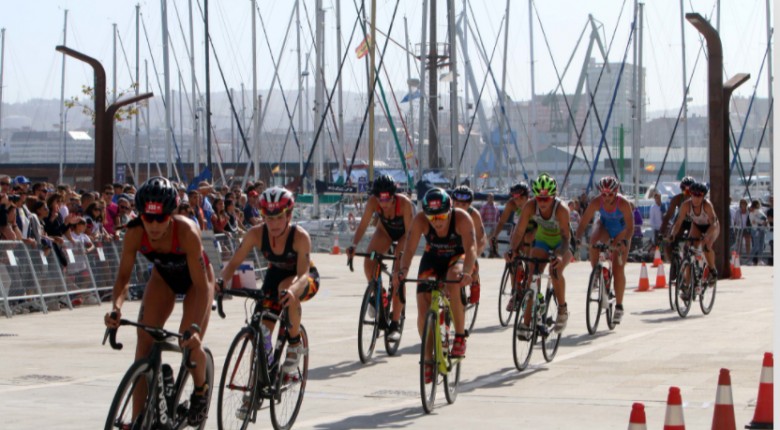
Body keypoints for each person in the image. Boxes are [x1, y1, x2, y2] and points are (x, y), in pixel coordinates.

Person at [103, 177, 215, 426]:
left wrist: (194, 329)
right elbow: (123, 278)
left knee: (188, 342)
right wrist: (116, 309)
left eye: (160, 219)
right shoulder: (134, 233)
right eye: (147, 218)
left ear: (171, 214)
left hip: (196, 282)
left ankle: (200, 389)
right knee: (143, 344)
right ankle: (137, 420)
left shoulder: (186, 231)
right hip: (163, 277)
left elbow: (201, 286)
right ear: (140, 215)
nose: (153, 226)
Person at [220, 187, 319, 376]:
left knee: (286, 289)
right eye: (269, 218)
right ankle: (256, 382)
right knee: (262, 331)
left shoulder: (300, 237)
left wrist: (292, 291)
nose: (273, 224)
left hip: (303, 277)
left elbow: (303, 274)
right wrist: (221, 282)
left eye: (279, 217)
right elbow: (232, 264)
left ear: (289, 215)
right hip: (275, 274)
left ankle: (295, 343)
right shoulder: (255, 234)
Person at [393, 188, 476, 365]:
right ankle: (428, 356)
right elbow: (409, 248)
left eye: (441, 216)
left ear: (450, 210)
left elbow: (471, 248)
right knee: (423, 304)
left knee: (453, 279)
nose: (436, 222)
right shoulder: (420, 220)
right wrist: (403, 271)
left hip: (456, 256)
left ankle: (460, 337)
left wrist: (467, 271)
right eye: (432, 217)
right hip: (432, 258)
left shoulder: (461, 218)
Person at [347, 174, 414, 341]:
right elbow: (363, 224)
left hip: (405, 235)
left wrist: (403, 260)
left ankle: (395, 323)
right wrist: (354, 245)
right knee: (369, 263)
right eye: (380, 199)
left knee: (398, 274)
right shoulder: (372, 202)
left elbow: (411, 235)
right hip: (385, 231)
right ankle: (380, 295)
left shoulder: (404, 204)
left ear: (393, 196)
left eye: (387, 199)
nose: (383, 203)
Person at [507, 173, 572, 333]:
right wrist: (512, 250)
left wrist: (559, 255)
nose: (542, 203)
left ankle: (562, 309)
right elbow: (519, 230)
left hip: (561, 243)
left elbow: (565, 237)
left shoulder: (561, 209)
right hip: (543, 240)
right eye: (539, 198)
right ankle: (527, 323)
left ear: (554, 196)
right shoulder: (530, 206)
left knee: (554, 270)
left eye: (546, 199)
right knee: (532, 276)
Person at [575, 176, 633, 324]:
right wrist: (577, 238)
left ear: (616, 192)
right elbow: (583, 222)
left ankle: (619, 306)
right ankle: (596, 272)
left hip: (621, 231)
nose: (606, 198)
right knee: (594, 242)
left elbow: (631, 226)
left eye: (610, 194)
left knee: (618, 268)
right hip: (605, 227)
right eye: (604, 194)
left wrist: (625, 241)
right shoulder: (596, 202)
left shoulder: (623, 203)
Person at [669, 181, 720, 284]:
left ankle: (712, 270)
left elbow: (714, 224)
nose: (696, 199)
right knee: (688, 249)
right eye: (694, 195)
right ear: (690, 194)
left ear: (703, 197)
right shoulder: (686, 205)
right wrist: (673, 234)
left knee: (706, 246)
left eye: (699, 196)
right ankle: (688, 283)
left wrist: (707, 235)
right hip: (697, 226)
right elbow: (678, 223)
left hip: (711, 227)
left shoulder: (707, 205)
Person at [451, 185, 487, 304]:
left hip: (472, 242)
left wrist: (473, 254)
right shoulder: (448, 212)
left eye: (464, 205)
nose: (460, 207)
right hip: (454, 243)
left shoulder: (474, 215)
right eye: (457, 204)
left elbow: (481, 238)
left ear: (469, 205)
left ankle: (475, 282)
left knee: (473, 264)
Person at [489, 182, 535, 257]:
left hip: (532, 226)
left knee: (528, 239)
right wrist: (494, 236)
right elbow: (502, 222)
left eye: (521, 198)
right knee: (512, 248)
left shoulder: (532, 205)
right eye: (515, 199)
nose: (518, 201)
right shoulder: (511, 204)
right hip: (518, 226)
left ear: (527, 197)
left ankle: (528, 262)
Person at [661, 176, 696, 262]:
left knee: (692, 242)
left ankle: (691, 260)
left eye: (690, 190)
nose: (687, 193)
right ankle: (673, 263)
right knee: (669, 243)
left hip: (694, 222)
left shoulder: (697, 199)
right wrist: (662, 231)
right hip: (681, 221)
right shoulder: (677, 199)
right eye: (684, 190)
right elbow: (668, 215)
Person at [748, 200, 768, 265]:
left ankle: (760, 260)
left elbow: (765, 219)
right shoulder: (751, 213)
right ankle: (750, 260)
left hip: (762, 230)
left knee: (761, 245)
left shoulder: (761, 211)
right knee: (756, 246)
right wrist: (762, 222)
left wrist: (766, 223)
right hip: (755, 230)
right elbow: (753, 221)